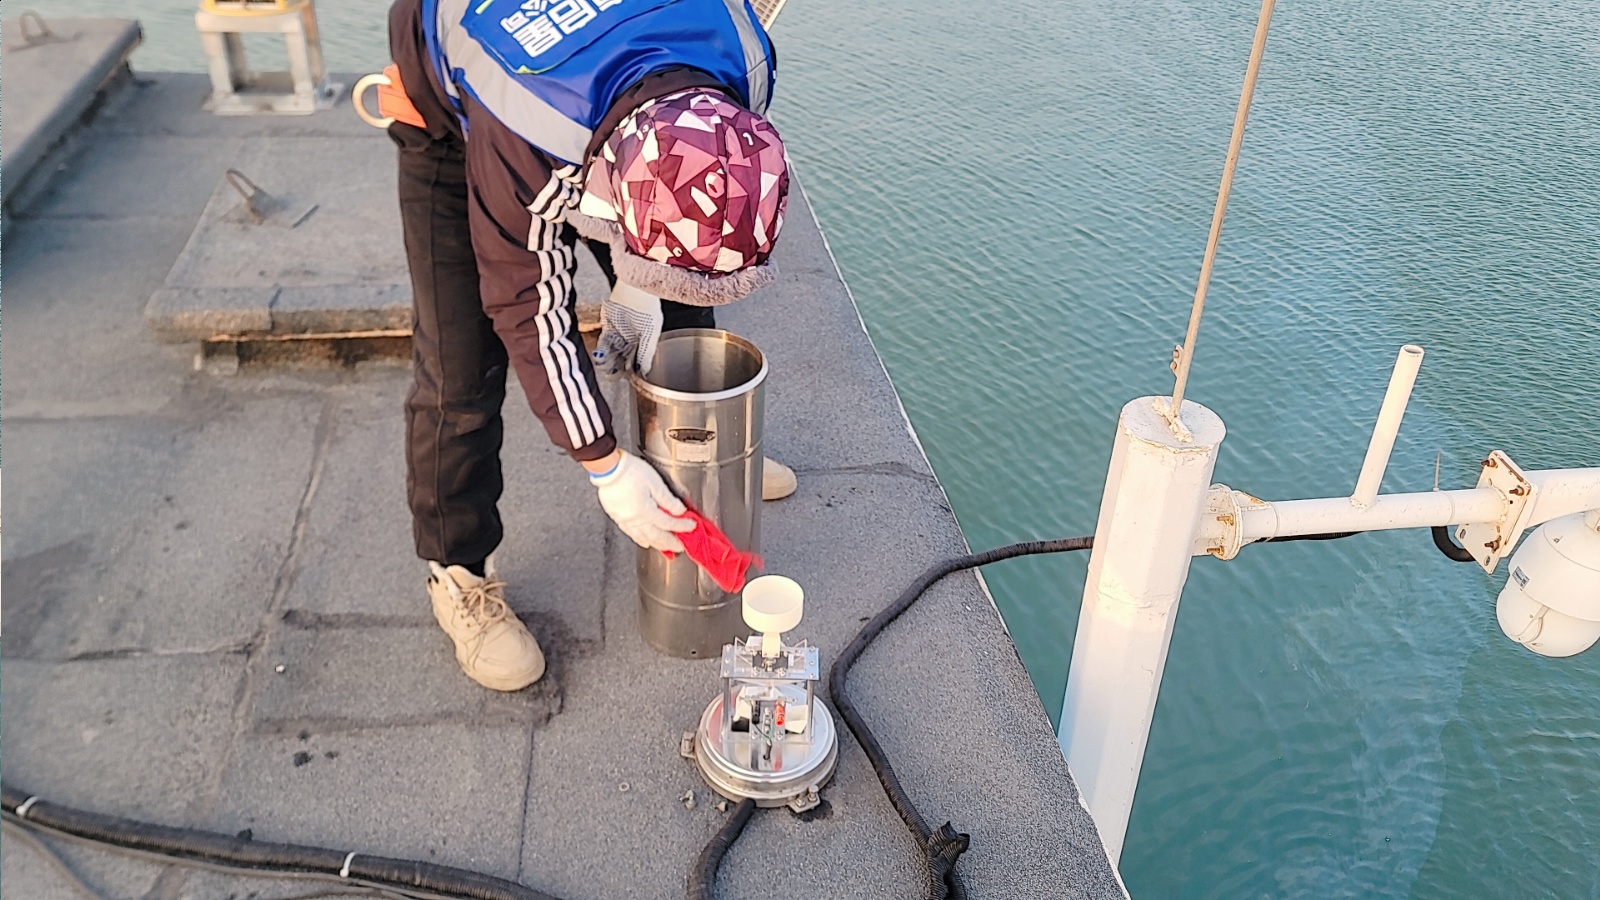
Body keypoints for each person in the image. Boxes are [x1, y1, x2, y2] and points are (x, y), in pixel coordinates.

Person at [383, 0, 793, 691]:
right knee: (460, 373)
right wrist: (603, 463)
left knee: (677, 301)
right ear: (609, 194)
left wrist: (643, 286)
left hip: (604, 108)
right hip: (463, 118)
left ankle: (707, 452)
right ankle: (459, 574)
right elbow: (527, 305)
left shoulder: (742, 53)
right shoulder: (527, 121)